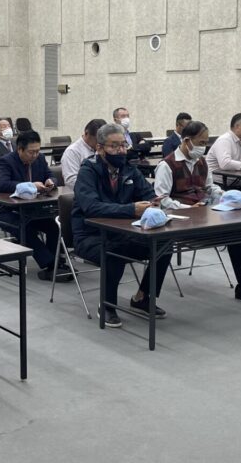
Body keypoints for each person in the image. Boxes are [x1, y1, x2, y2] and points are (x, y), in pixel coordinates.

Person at [153, 121, 241, 304]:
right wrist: (186, 208)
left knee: (239, 224)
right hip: (181, 220)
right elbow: (161, 200)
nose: (203, 147)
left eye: (205, 143)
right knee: (236, 231)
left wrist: (226, 196)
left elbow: (210, 188)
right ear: (187, 141)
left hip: (205, 215)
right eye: (200, 143)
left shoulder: (201, 162)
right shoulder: (167, 165)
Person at [72, 123, 173, 328]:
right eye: (114, 146)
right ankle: (107, 304)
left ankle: (142, 298)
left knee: (164, 245)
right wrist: (131, 209)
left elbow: (148, 194)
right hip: (90, 235)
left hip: (124, 231)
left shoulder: (129, 169)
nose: (121, 151)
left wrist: (153, 203)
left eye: (123, 145)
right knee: (114, 251)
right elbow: (91, 207)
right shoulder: (88, 171)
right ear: (100, 148)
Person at [0, 130, 71, 281]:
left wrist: (51, 181)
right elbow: (3, 185)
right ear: (20, 149)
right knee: (25, 227)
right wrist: (30, 185)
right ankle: (50, 264)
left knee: (54, 225)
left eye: (37, 151)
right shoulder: (7, 161)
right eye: (31, 152)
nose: (35, 155)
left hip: (33, 208)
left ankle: (55, 263)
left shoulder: (40, 158)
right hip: (8, 210)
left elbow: (50, 175)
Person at [61, 118, 106, 187]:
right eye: (97, 139)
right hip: (84, 191)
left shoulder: (104, 148)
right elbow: (71, 181)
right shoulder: (72, 151)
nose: (100, 143)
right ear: (86, 133)